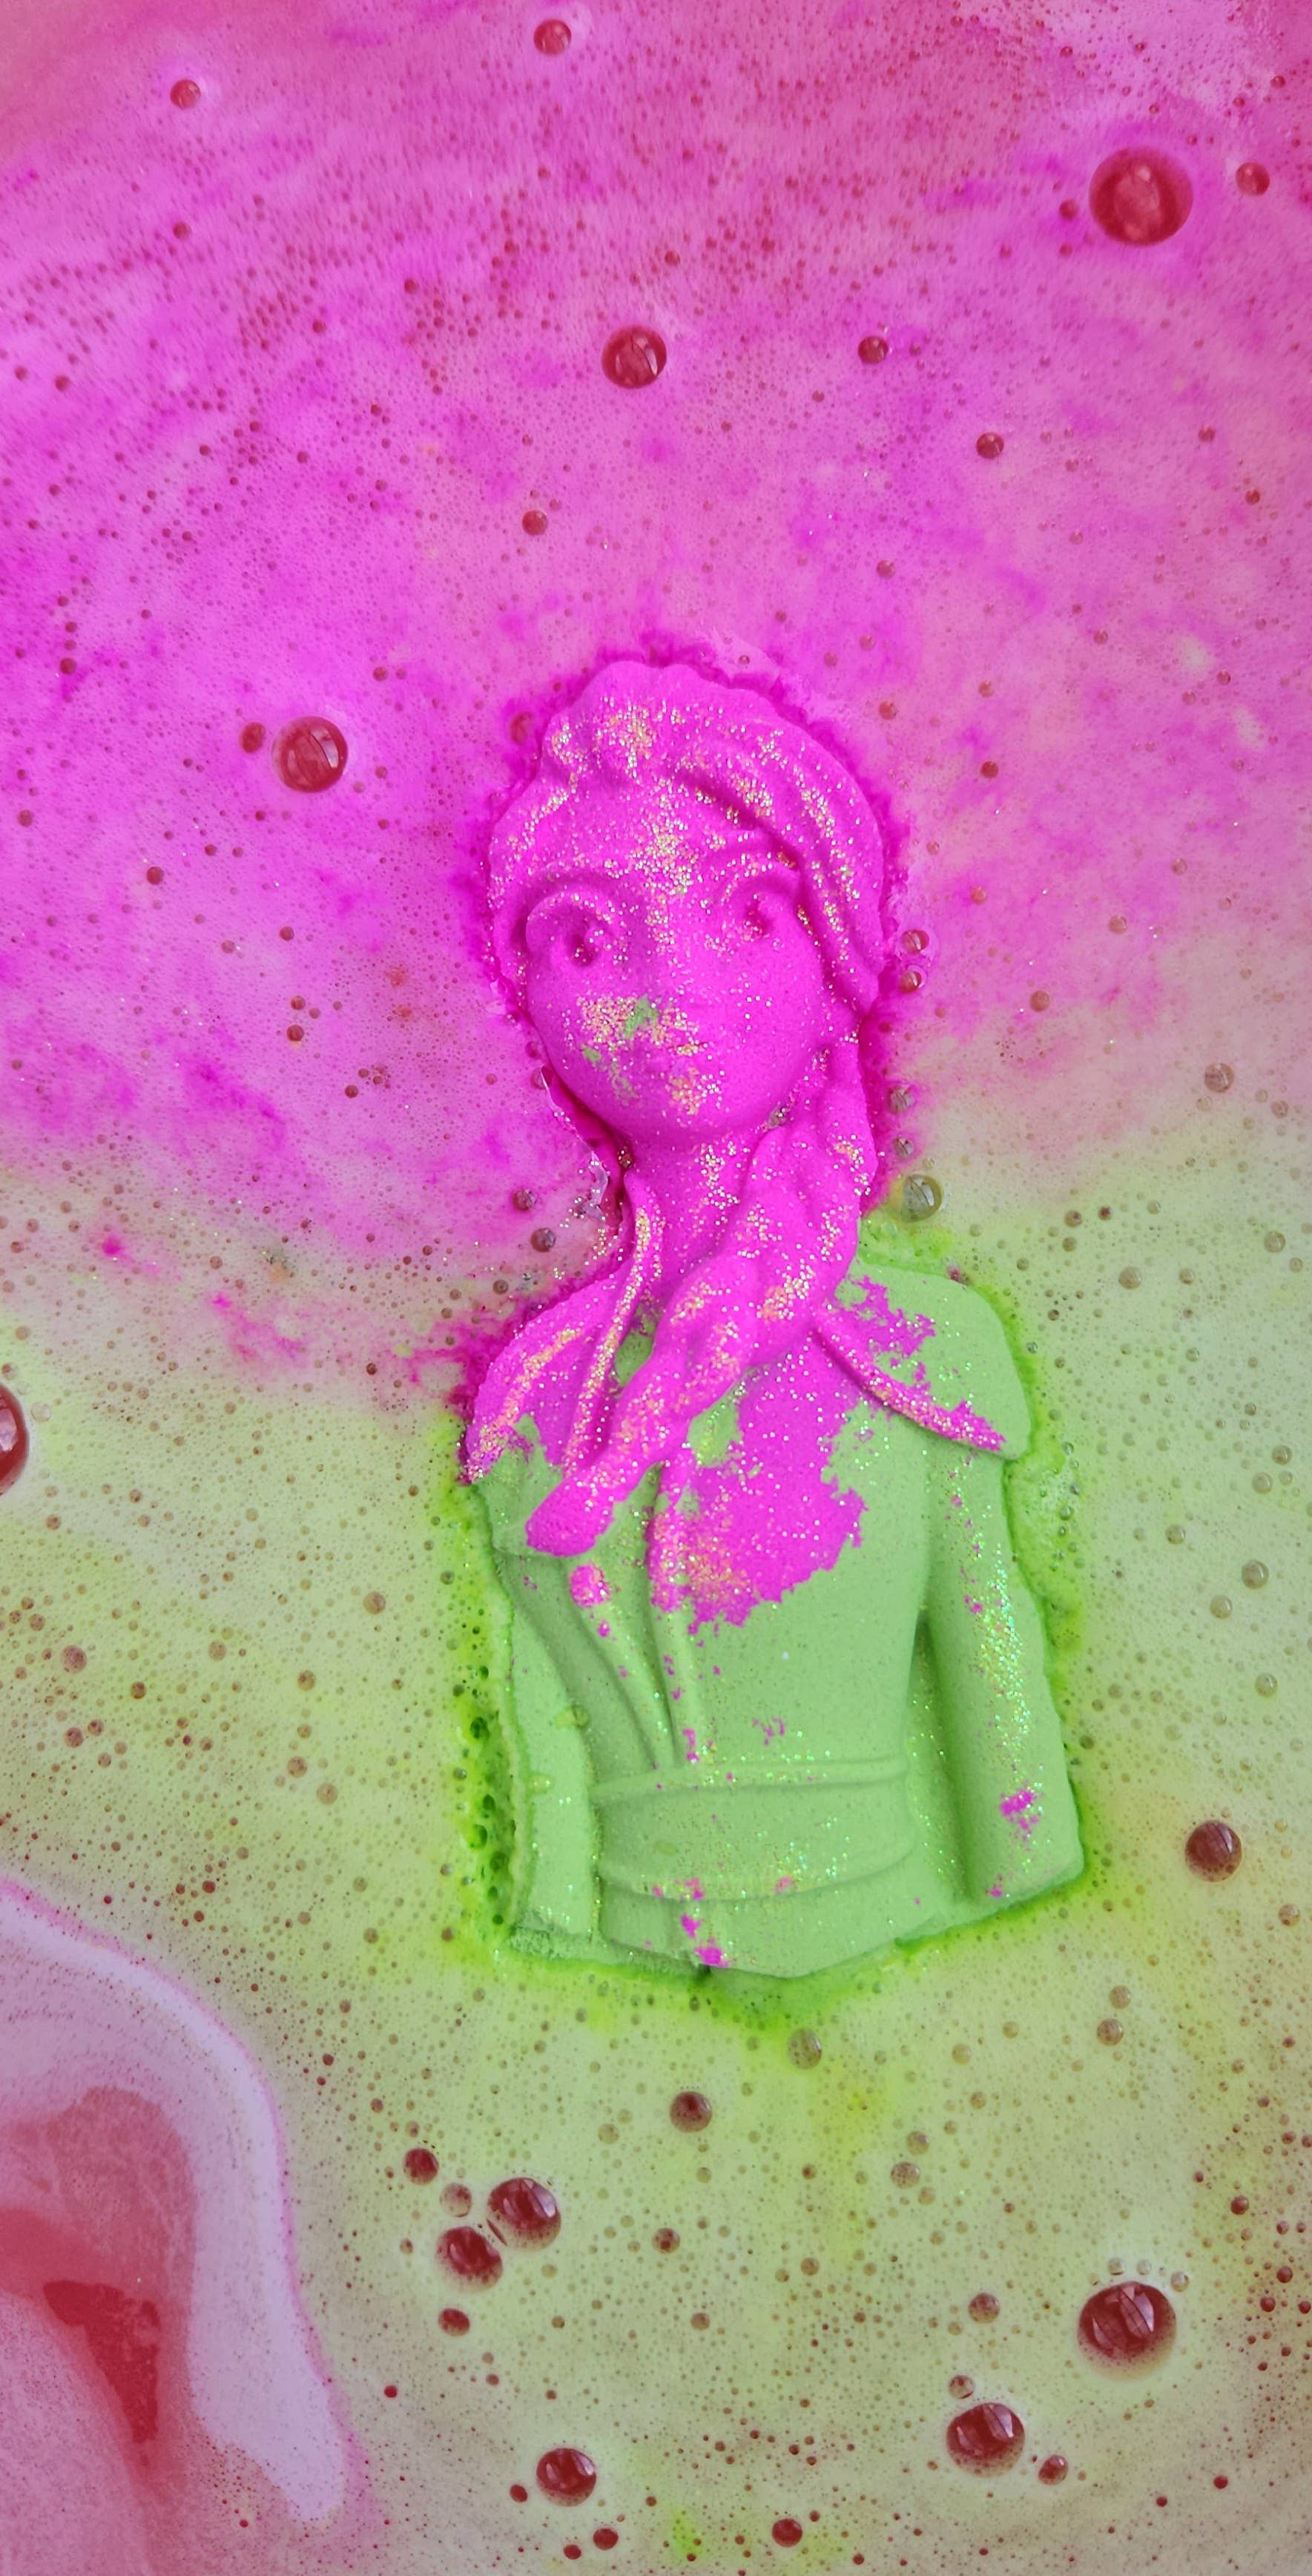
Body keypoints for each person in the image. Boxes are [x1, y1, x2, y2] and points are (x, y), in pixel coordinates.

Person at [467, 657, 1081, 1978]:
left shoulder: (922, 1352)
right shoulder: (533, 1392)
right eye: (587, 939)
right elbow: (543, 1762)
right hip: (601, 2017)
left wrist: (1008, 1949)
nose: (671, 982)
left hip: (915, 1972)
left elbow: (1001, 1713)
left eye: (745, 911)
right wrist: (561, 1967)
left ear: (838, 949)